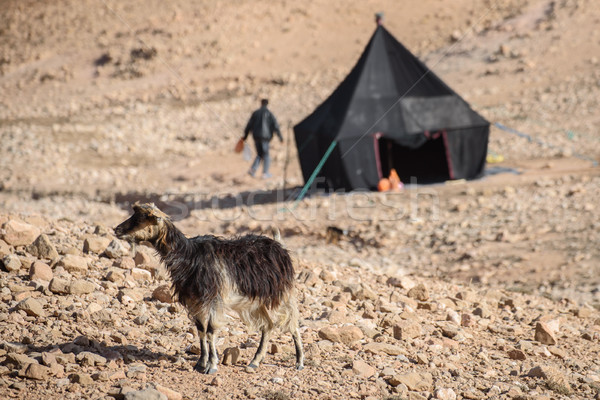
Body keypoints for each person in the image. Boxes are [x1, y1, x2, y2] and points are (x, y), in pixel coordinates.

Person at [242, 98, 283, 178]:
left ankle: (252, 170)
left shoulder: (256, 113)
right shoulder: (269, 114)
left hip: (256, 137)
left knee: (259, 154)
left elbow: (249, 125)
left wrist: (245, 136)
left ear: (261, 103)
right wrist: (280, 137)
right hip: (265, 138)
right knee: (266, 155)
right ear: (267, 104)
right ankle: (265, 173)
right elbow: (275, 126)